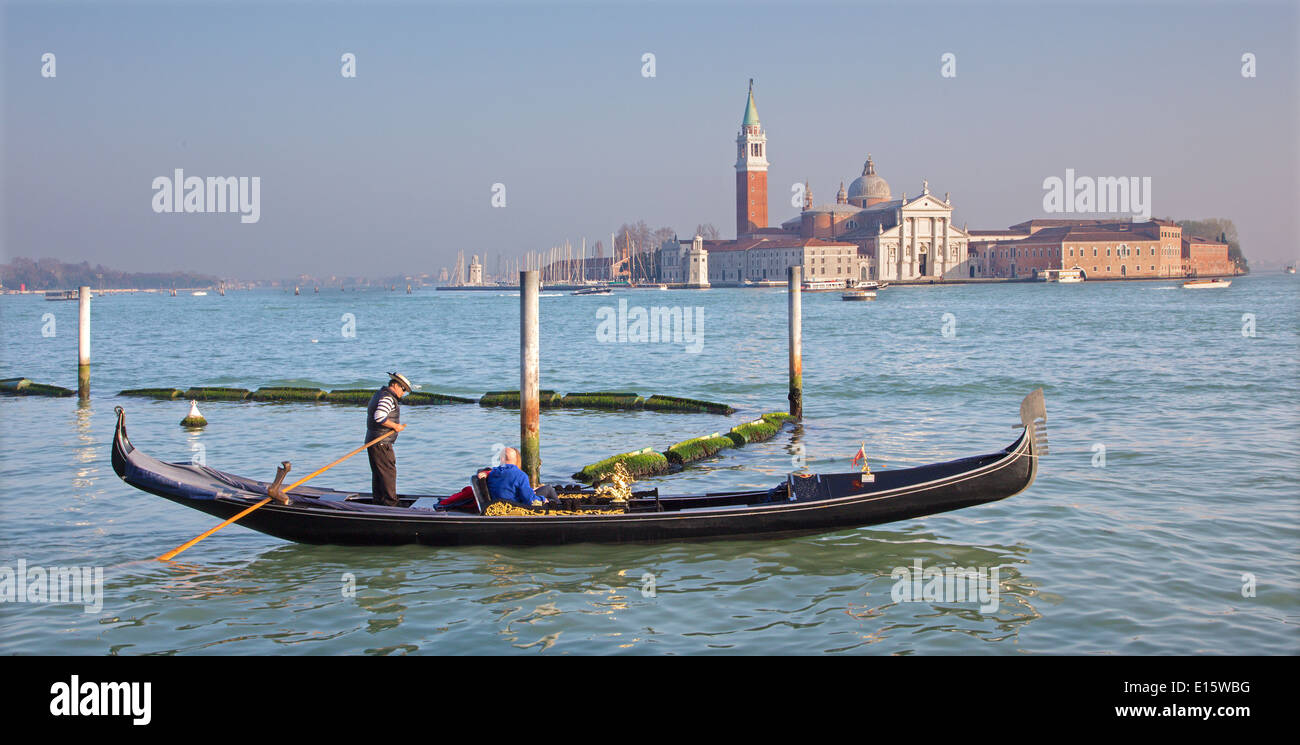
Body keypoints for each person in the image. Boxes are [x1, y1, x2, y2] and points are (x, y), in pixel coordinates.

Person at [366, 372, 414, 507]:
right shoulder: (387, 398)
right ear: (395, 385)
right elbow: (379, 416)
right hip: (381, 442)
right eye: (403, 389)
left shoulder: (380, 394)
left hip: (374, 441)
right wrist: (395, 426)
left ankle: (379, 501)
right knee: (388, 472)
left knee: (379, 473)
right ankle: (390, 504)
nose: (403, 393)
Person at [485, 447, 557, 508]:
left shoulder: (492, 473)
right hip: (517, 506)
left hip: (498, 506)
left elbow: (508, 488)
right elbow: (530, 501)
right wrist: (543, 500)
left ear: (501, 458)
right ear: (516, 459)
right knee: (548, 489)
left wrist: (530, 491)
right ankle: (561, 509)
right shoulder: (520, 475)